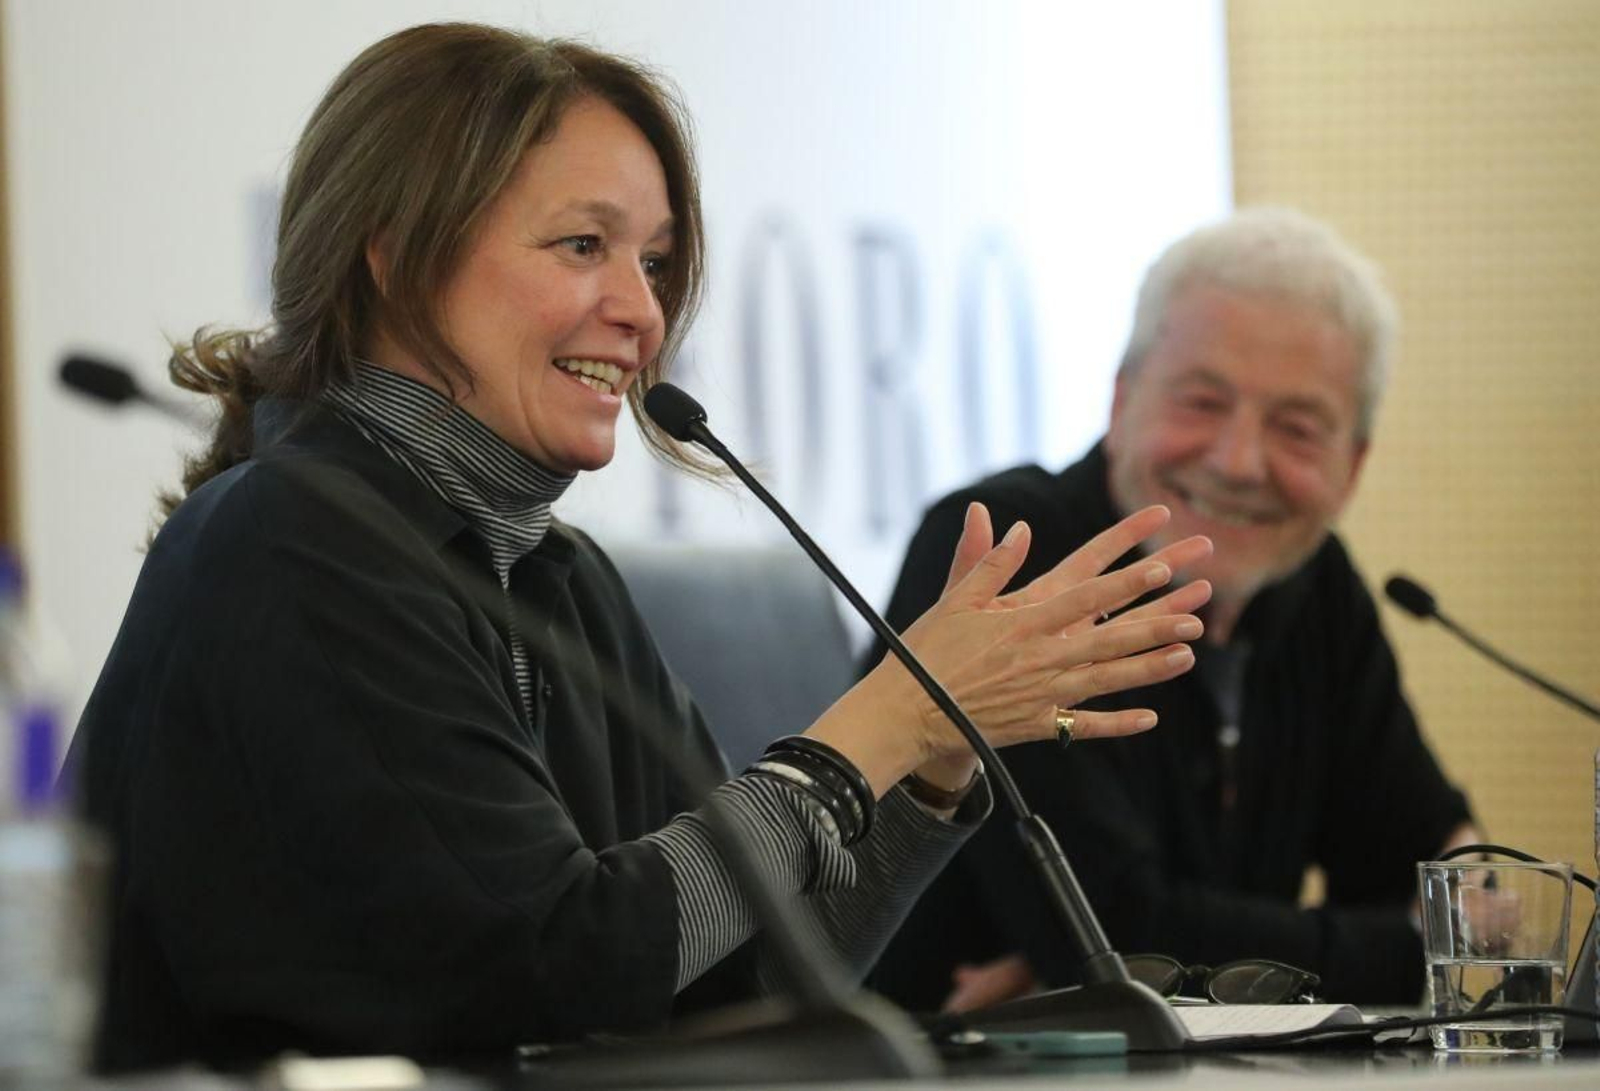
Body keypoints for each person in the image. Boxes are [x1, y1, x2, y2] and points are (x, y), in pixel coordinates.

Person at [67, 24, 1212, 1072]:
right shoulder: (294, 541)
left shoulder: (557, 577)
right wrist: (889, 715)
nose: (643, 311)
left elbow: (732, 983)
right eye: (583, 246)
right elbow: (550, 964)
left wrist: (931, 762)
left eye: (655, 263)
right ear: (395, 256)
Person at [869, 208, 1477, 1010]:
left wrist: (1175, 966)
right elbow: (1111, 933)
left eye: (1297, 428)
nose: (1238, 461)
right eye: (1201, 402)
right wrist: (1406, 948)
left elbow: (1439, 871)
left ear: (1353, 464)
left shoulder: (1314, 580)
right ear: (1121, 402)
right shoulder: (1005, 555)